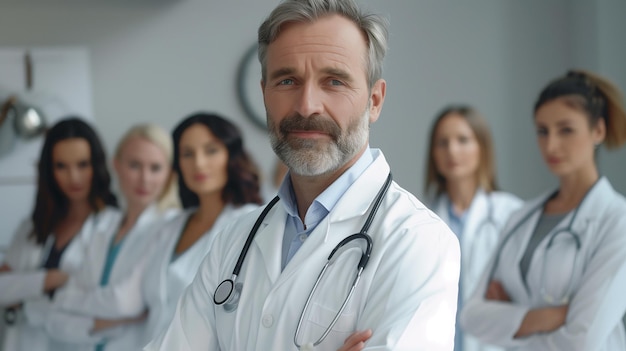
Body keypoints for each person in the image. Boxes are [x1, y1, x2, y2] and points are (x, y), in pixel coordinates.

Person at [146, 1, 460, 350]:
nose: (307, 104)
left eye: (334, 81)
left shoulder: (417, 241)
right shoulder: (233, 241)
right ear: (265, 93)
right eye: (288, 80)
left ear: (374, 101)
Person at [50, 112, 263, 347]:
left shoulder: (250, 224)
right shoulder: (170, 226)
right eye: (187, 154)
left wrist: (61, 298)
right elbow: (131, 298)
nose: (199, 163)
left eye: (211, 150)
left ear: (230, 156)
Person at [460, 70, 626, 350]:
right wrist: (553, 316)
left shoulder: (617, 220)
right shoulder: (521, 217)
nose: (551, 145)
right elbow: (471, 316)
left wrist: (511, 320)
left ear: (598, 130)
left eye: (566, 130)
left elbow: (583, 341)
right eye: (542, 131)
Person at [43, 124, 180, 350]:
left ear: (169, 174)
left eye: (155, 168)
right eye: (135, 165)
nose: (144, 179)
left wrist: (67, 302)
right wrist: (110, 319)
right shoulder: (101, 225)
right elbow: (54, 318)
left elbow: (124, 302)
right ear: (116, 165)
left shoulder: (170, 226)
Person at [0, 117, 118, 351]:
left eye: (82, 164)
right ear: (49, 170)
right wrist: (50, 279)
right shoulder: (33, 227)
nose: (73, 177)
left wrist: (24, 294)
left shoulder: (112, 226)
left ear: (97, 165)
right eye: (61, 166)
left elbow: (93, 306)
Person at [425, 105, 522, 351]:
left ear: (482, 147)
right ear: (433, 153)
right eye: (442, 142)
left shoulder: (511, 215)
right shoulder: (421, 220)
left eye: (463, 140)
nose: (452, 150)